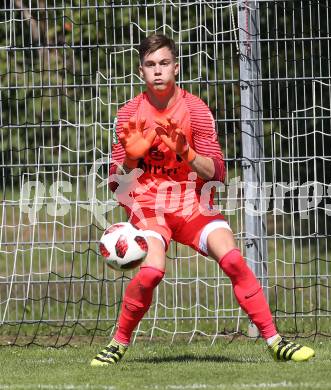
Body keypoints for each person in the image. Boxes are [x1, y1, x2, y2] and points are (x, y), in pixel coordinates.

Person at [90, 34, 315, 366]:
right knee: (151, 273)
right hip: (149, 205)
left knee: (235, 260)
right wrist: (132, 160)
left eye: (164, 63)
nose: (158, 71)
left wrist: (187, 153)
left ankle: (276, 341)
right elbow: (115, 183)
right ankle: (118, 343)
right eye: (150, 65)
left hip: (193, 202)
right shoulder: (129, 114)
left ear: (176, 67)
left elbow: (218, 171)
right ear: (141, 72)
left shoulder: (194, 109)